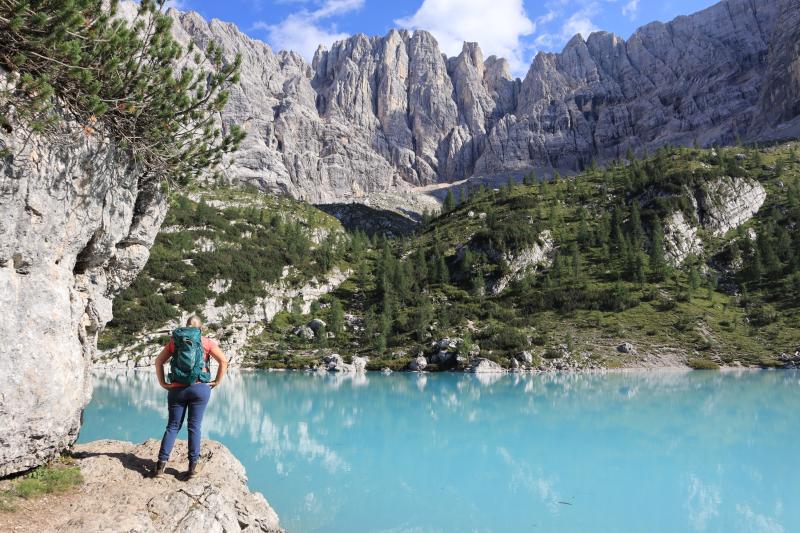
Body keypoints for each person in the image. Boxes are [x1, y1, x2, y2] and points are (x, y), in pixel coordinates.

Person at [153, 315, 228, 479]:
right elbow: (223, 361)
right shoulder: (206, 342)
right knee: (194, 426)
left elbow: (159, 362)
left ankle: (160, 467)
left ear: (185, 326)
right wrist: (217, 381)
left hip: (177, 389)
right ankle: (192, 468)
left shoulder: (175, 341)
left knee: (173, 426)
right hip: (200, 388)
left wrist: (163, 383)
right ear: (201, 328)